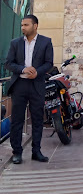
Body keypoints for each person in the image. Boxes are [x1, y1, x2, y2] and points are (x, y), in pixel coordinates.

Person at [6, 15, 54, 164]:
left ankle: (36, 151)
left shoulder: (46, 42)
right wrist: (23, 69)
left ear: (35, 26)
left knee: (38, 119)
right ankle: (17, 152)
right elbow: (9, 63)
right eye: (22, 25)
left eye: (26, 25)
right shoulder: (15, 43)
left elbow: (49, 63)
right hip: (19, 85)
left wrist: (37, 72)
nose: (23, 28)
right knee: (17, 120)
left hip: (36, 85)